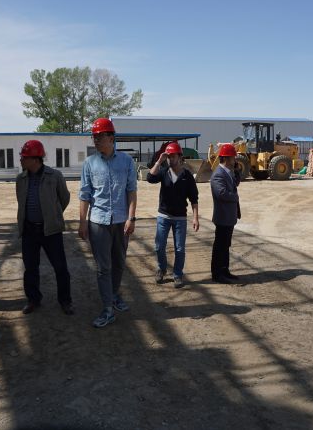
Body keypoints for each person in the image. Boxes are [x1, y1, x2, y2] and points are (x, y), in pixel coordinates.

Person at [78, 118, 137, 328]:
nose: (95, 140)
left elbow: (131, 191)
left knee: (119, 263)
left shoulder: (126, 161)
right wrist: (82, 222)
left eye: (99, 136)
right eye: (94, 137)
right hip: (98, 222)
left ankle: (113, 294)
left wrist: (131, 218)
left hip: (121, 222)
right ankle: (107, 309)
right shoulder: (89, 163)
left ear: (111, 138)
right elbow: (85, 194)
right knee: (103, 268)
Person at [16, 139, 73, 315]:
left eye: (24, 157)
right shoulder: (21, 179)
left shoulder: (54, 176)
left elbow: (64, 198)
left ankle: (65, 301)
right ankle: (33, 299)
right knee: (30, 268)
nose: (21, 160)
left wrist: (53, 215)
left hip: (51, 230)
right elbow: (21, 201)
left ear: (35, 159)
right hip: (29, 230)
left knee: (60, 267)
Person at [147, 141, 199, 288]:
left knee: (179, 249)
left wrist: (195, 218)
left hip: (180, 218)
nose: (170, 159)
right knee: (159, 246)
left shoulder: (187, 176)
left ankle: (177, 274)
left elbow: (194, 198)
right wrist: (159, 161)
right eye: (168, 156)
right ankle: (162, 269)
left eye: (173, 156)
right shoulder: (164, 172)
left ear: (180, 157)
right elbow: (150, 178)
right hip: (163, 216)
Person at [210, 143, 242, 284]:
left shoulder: (228, 172)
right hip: (223, 217)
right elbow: (221, 193)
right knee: (220, 246)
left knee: (225, 246)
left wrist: (237, 170)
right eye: (233, 158)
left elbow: (236, 183)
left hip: (229, 217)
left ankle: (225, 270)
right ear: (227, 158)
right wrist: (235, 197)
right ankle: (217, 274)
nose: (235, 160)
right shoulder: (218, 174)